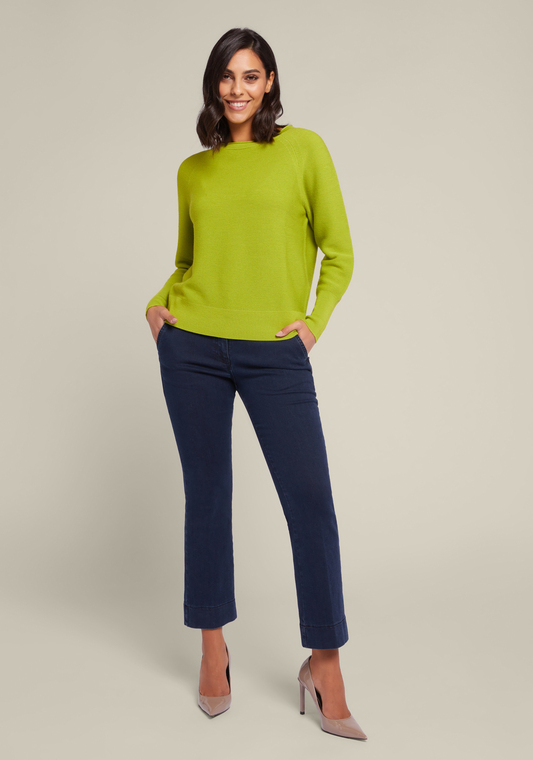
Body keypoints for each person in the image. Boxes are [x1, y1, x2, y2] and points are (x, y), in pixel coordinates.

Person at [145, 27, 366, 740]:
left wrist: (313, 323)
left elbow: (339, 251)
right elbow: (188, 261)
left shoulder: (303, 150)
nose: (237, 89)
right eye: (226, 77)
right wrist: (159, 307)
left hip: (274, 352)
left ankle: (325, 664)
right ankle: (213, 650)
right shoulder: (194, 170)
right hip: (192, 348)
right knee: (207, 497)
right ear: (214, 86)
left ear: (270, 81)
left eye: (250, 76)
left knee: (310, 500)